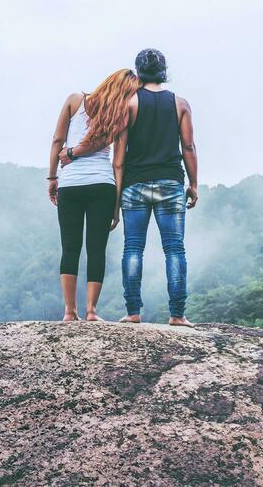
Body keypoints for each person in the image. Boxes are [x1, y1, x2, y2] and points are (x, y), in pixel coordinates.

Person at [108, 47, 199, 326]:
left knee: (133, 248)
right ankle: (178, 314)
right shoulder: (180, 104)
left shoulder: (129, 104)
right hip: (170, 182)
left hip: (134, 184)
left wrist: (115, 201)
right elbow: (188, 147)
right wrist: (193, 184)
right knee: (175, 249)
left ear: (138, 71)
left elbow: (118, 158)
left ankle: (133, 312)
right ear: (164, 71)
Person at [48, 68, 138, 321]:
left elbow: (57, 141)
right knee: (96, 249)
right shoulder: (121, 116)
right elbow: (118, 164)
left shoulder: (75, 100)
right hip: (103, 186)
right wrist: (116, 206)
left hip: (71, 184)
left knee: (70, 247)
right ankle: (91, 311)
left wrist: (53, 176)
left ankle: (69, 312)